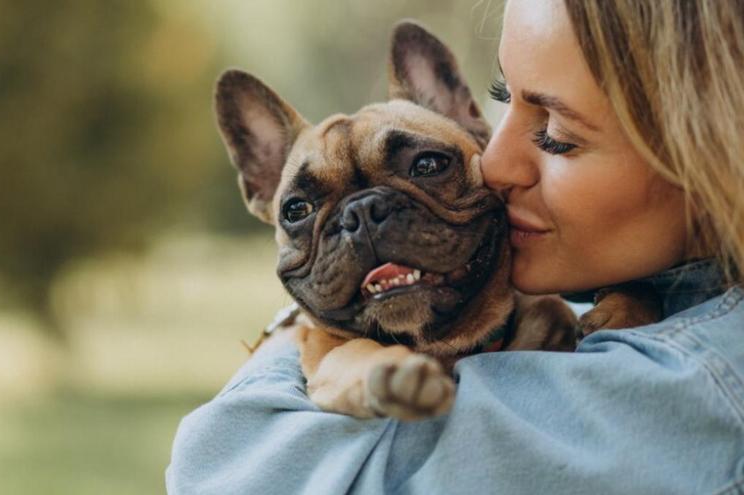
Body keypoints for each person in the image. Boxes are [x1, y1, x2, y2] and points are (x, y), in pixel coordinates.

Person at [167, 0, 744, 493]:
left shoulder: (698, 385)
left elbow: (223, 469)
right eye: (299, 209)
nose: (491, 161)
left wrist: (294, 340)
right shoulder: (601, 299)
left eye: (558, 136)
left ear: (707, 146)